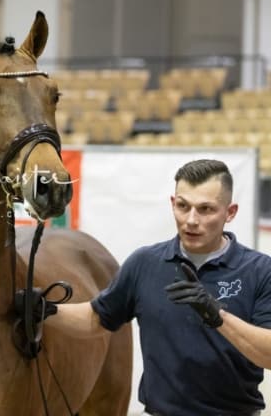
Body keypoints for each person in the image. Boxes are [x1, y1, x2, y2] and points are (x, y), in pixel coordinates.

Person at [53, 159, 271, 415]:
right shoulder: (145, 263)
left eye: (205, 209)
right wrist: (46, 311)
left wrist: (217, 316)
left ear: (230, 212)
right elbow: (95, 318)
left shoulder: (260, 270)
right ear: (172, 204)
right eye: (183, 206)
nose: (191, 220)